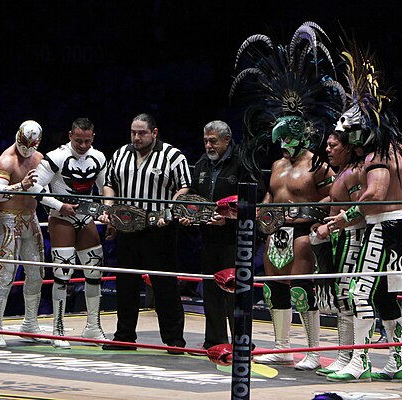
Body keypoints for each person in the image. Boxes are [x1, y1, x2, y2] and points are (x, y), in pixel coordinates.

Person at [229, 23, 344, 370]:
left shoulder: (318, 165)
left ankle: (311, 350)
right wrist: (262, 214)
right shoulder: (277, 165)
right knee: (274, 288)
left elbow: (334, 197)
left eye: (285, 139)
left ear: (298, 136)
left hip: (303, 230)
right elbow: (268, 194)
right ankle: (282, 345)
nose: (281, 145)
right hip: (275, 231)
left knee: (301, 289)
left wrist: (311, 211)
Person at [325, 42, 402, 383]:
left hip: (383, 226)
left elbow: (376, 194)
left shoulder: (377, 155)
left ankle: (361, 359)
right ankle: (395, 362)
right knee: (384, 296)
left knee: (357, 293)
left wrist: (342, 217)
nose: (354, 142)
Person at [100, 113, 191, 353]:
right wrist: (109, 208)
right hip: (128, 228)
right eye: (133, 132)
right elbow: (109, 182)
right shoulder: (120, 153)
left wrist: (169, 211)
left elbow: (184, 187)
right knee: (126, 283)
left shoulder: (172, 155)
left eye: (141, 133)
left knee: (165, 285)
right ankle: (124, 336)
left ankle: (174, 340)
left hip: (159, 230)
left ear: (154, 133)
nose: (136, 137)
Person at [180, 120, 265, 351]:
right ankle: (214, 340)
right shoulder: (201, 164)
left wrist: (228, 217)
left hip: (237, 239)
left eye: (213, 141)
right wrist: (191, 215)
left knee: (236, 291)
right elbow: (196, 198)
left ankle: (241, 341)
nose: (208, 145)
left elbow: (256, 197)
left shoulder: (243, 162)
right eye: (206, 140)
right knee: (211, 289)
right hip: (209, 238)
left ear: (227, 140)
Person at [28, 117, 107, 348]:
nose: (83, 145)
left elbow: (104, 190)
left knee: (95, 270)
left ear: (93, 137)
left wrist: (105, 211)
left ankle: (93, 327)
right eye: (79, 140)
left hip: (85, 216)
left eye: (87, 141)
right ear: (70, 136)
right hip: (61, 217)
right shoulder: (56, 157)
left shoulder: (99, 157)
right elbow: (35, 187)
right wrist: (59, 205)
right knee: (63, 271)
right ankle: (58, 329)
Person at [312, 130, 366, 376]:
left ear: (347, 147)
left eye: (333, 145)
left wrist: (330, 226)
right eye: (328, 145)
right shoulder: (342, 172)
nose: (328, 150)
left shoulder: (354, 172)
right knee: (341, 299)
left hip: (352, 238)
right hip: (339, 238)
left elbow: (359, 209)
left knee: (348, 299)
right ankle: (344, 356)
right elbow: (339, 202)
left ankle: (351, 357)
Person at [0, 120, 45, 347]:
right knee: (5, 274)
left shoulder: (39, 158)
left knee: (37, 272)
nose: (27, 148)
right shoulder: (5, 160)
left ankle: (30, 323)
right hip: (8, 219)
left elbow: (46, 188)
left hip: (31, 218)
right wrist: (20, 185)